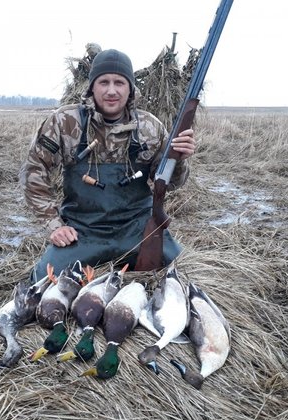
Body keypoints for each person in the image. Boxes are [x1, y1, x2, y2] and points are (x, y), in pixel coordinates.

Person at [21, 49, 196, 281]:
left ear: (130, 88)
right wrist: (54, 225)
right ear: (92, 87)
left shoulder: (150, 127)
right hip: (83, 230)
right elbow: (34, 172)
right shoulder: (65, 122)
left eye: (119, 83)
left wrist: (179, 159)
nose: (111, 91)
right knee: (44, 278)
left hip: (138, 228)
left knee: (185, 272)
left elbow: (170, 183)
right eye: (104, 82)